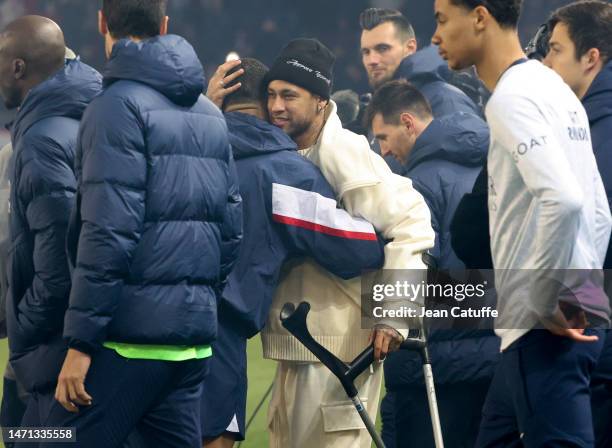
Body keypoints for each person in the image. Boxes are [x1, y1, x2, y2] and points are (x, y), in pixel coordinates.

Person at [43, 1, 242, 447]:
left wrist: (80, 344)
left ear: (101, 23)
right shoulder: (210, 114)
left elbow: (106, 231)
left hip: (126, 343)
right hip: (190, 347)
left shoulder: (114, 106)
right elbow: (231, 229)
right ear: (164, 25)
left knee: (44, 435)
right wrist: (193, 298)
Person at [431, 0, 611, 446]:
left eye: (441, 19)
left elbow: (565, 199)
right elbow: (599, 211)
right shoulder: (557, 91)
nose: (436, 35)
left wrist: (546, 295)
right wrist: (581, 292)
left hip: (540, 320)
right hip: (570, 305)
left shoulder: (512, 97)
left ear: (479, 17)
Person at [201, 58, 385, 448]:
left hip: (133, 327)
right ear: (267, 106)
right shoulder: (280, 171)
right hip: (216, 334)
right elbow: (358, 251)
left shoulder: (182, 142)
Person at [259, 38, 435, 448]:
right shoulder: (296, 149)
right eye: (270, 95)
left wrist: (394, 315)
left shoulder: (342, 151)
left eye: (289, 95)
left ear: (321, 100)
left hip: (341, 349)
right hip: (305, 342)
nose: (277, 106)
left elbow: (412, 221)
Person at [366, 79, 499, 448]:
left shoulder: (417, 185)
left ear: (409, 123)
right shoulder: (490, 165)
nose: (384, 150)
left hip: (436, 364)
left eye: (384, 136)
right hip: (495, 353)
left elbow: (422, 275)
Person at [0, 15, 102, 432]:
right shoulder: (96, 117)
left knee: (31, 437)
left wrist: (21, 327)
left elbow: (58, 262)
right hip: (83, 335)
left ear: (19, 67)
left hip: (52, 349)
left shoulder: (41, 139)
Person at [543, 3, 612, 446]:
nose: (546, 64)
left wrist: (565, 300)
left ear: (591, 58)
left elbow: (595, 224)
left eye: (555, 50)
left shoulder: (600, 126)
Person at [359, 7, 481, 118]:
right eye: (366, 52)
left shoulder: (444, 100)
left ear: (410, 48)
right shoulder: (377, 107)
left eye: (383, 48)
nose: (372, 60)